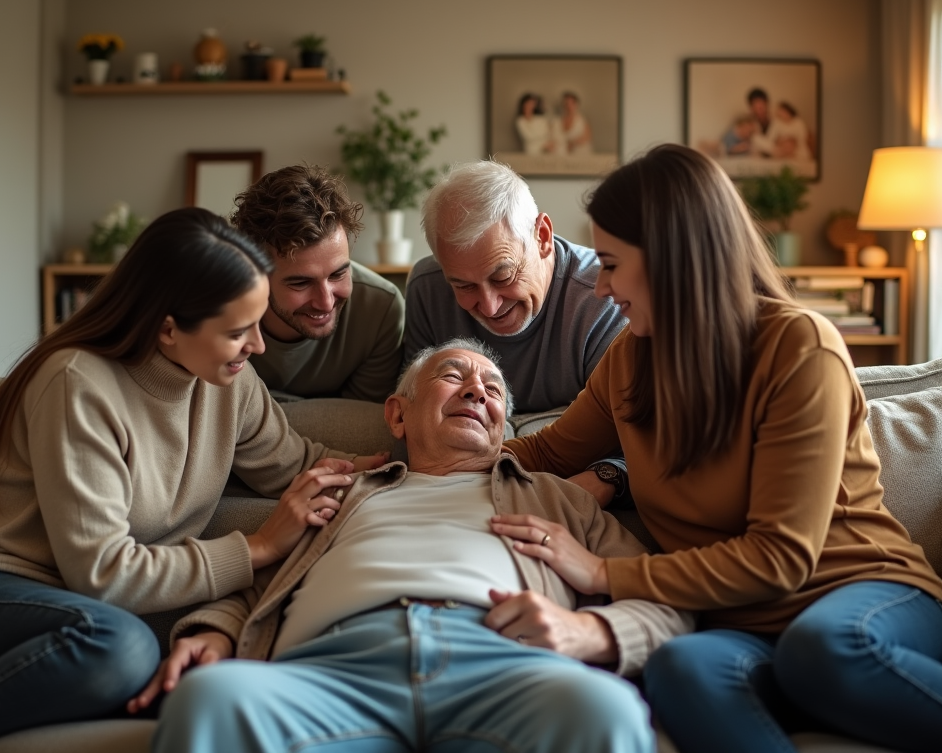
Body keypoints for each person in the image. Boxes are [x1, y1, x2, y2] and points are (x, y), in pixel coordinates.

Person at [495, 144, 942, 753]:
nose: (600, 288)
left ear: (672, 261)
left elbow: (782, 557)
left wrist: (603, 572)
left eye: (610, 264)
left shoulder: (797, 346)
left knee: (824, 650)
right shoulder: (628, 362)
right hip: (741, 628)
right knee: (678, 666)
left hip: (862, 596)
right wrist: (411, 458)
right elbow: (544, 453)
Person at [0, 207, 386, 753]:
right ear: (168, 327)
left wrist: (411, 465)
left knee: (181, 684)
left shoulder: (228, 381)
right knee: (121, 647)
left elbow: (297, 463)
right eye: (238, 330)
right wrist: (257, 547)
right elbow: (103, 575)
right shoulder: (77, 382)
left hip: (67, 613)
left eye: (258, 322)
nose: (258, 345)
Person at [137, 338, 694, 753]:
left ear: (505, 428)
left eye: (493, 389)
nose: (477, 390)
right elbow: (266, 581)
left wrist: (591, 631)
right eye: (454, 376)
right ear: (397, 414)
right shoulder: (346, 493)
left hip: (503, 667)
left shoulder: (558, 498)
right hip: (333, 670)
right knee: (208, 701)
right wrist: (216, 629)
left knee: (606, 710)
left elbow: (665, 598)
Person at [405, 160, 627, 415]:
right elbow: (417, 412)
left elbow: (616, 432)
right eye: (464, 286)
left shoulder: (606, 294)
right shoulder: (427, 288)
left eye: (503, 277)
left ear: (542, 237)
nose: (490, 306)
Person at [230, 164, 405, 403]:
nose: (326, 302)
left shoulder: (381, 309)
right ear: (254, 274)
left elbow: (362, 426)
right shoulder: (216, 308)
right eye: (301, 283)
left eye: (338, 274)